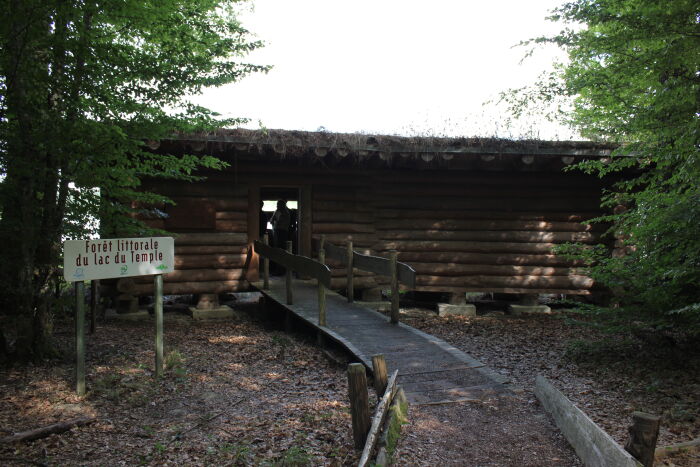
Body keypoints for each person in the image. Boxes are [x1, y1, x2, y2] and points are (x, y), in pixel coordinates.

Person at [271, 200, 291, 274]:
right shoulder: (277, 212)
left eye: (278, 204)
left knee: (281, 251)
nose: (277, 206)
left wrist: (275, 221)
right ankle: (278, 270)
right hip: (277, 232)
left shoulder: (285, 213)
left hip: (282, 233)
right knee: (277, 250)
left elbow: (279, 223)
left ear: (282, 205)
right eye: (277, 204)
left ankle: (281, 270)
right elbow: (272, 221)